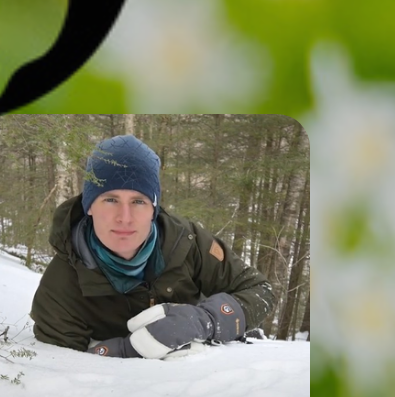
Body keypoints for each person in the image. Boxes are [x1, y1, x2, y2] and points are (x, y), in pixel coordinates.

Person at [29, 134, 277, 359]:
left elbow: (260, 291)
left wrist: (206, 320)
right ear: (89, 206)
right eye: (111, 199)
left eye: (138, 201)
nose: (124, 217)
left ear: (153, 209)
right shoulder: (61, 288)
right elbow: (67, 373)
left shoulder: (187, 242)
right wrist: (127, 350)